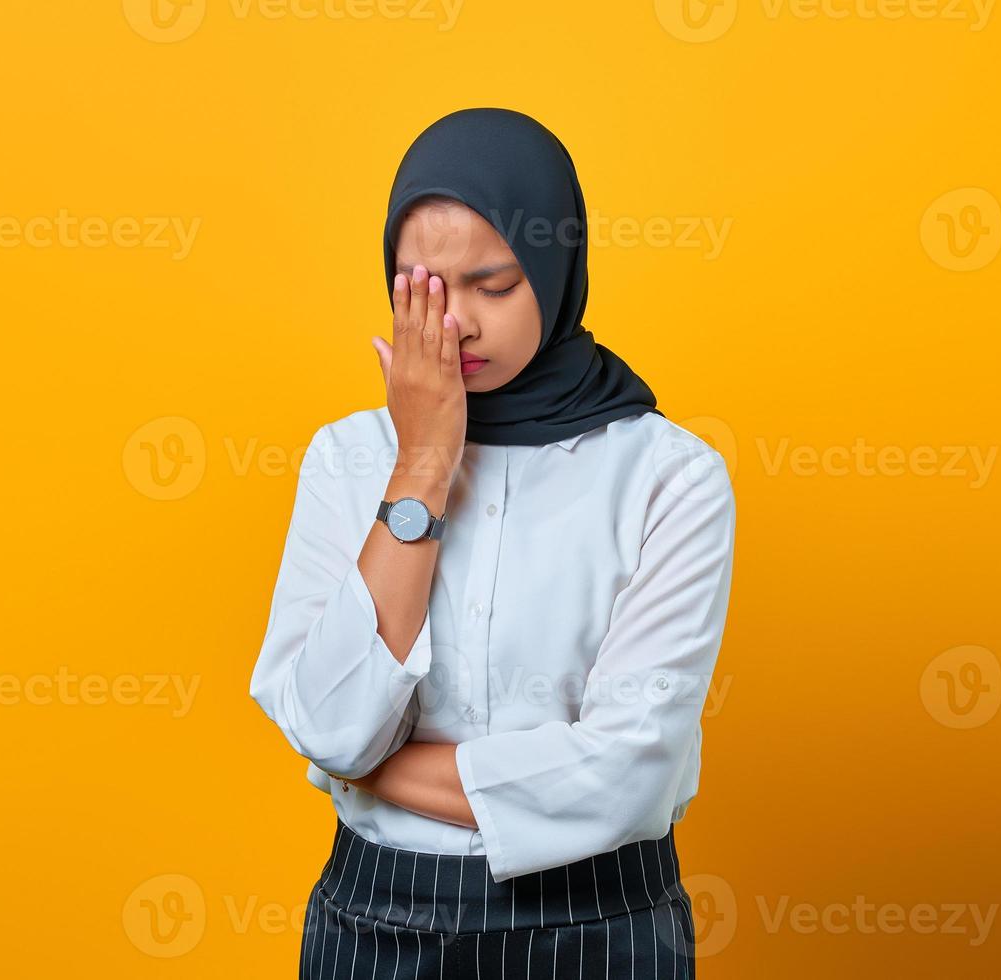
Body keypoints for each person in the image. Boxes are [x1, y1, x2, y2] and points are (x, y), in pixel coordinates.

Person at [250, 107, 736, 979]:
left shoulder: (671, 476)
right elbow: (327, 719)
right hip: (374, 922)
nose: (457, 323)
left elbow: (628, 775)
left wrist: (363, 768)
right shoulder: (348, 458)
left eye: (493, 284)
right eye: (420, 287)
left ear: (556, 271)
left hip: (602, 925)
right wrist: (423, 463)